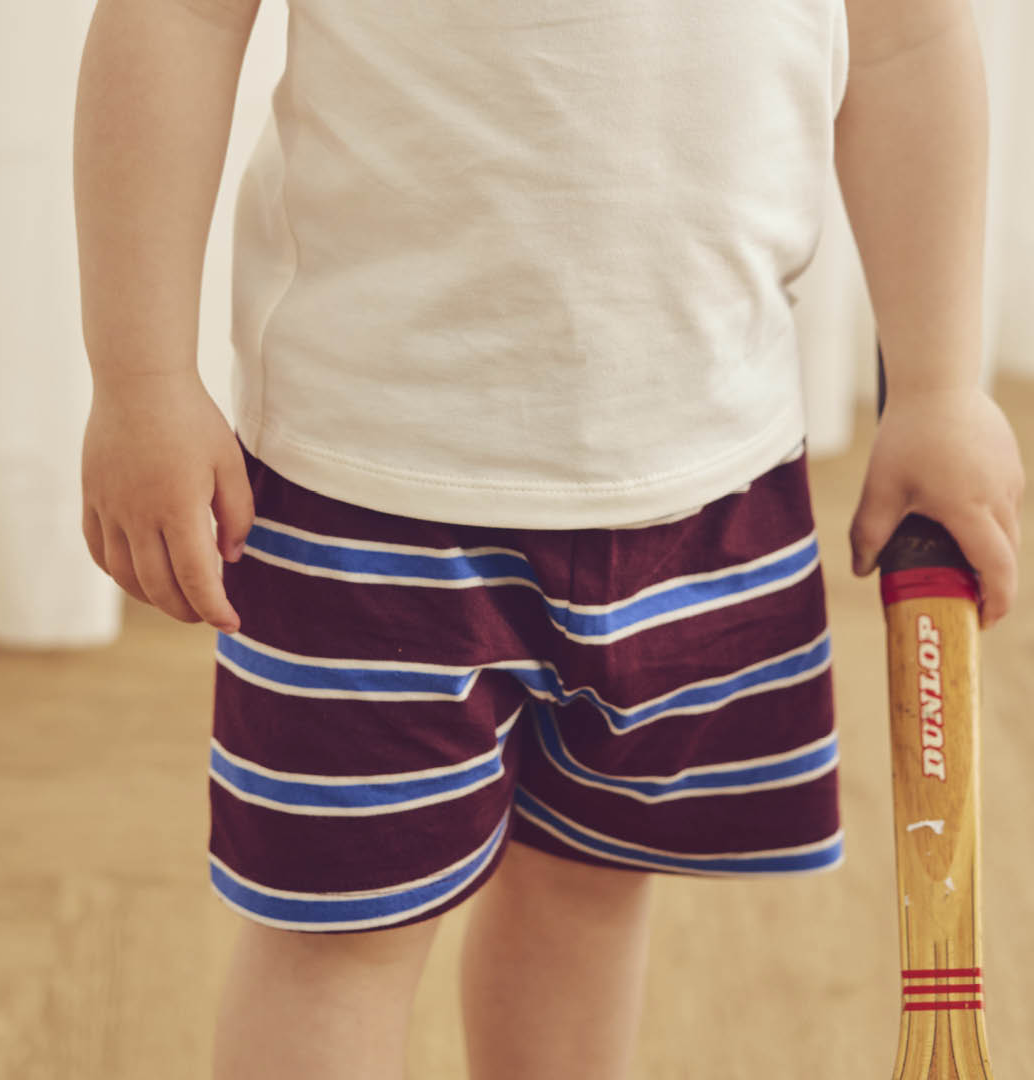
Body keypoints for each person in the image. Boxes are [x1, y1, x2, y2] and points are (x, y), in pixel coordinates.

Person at [73, 0, 1024, 1076]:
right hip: (367, 493)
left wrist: (938, 385)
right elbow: (180, 18)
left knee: (589, 891)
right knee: (340, 937)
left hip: (707, 482)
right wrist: (141, 378)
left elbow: (908, 41)